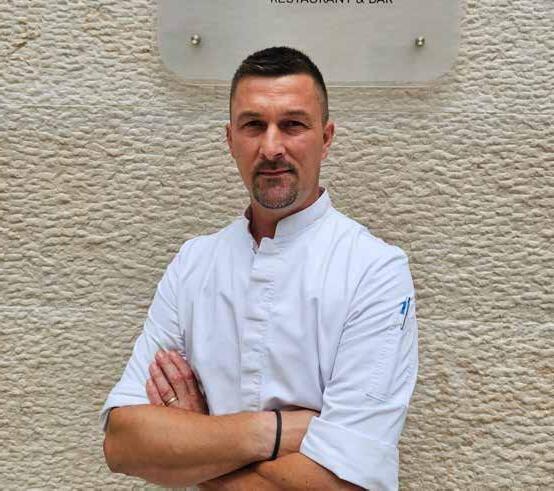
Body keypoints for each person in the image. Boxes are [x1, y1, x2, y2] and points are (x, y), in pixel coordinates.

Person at [100, 46, 418, 491]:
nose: (271, 148)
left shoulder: (373, 270)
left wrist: (197, 437)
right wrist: (277, 431)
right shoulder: (194, 263)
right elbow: (123, 443)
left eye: (293, 125)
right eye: (253, 125)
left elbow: (345, 484)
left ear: (326, 138)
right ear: (230, 139)